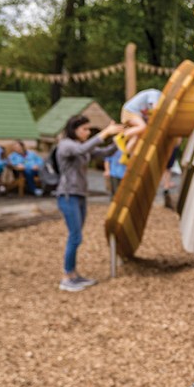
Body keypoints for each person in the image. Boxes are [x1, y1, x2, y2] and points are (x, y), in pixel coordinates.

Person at [55, 115, 125, 291]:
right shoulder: (66, 145)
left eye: (88, 129)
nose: (87, 132)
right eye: (84, 129)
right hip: (67, 195)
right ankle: (66, 277)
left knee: (77, 237)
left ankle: (73, 275)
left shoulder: (81, 146)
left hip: (79, 195)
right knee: (75, 236)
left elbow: (104, 153)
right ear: (74, 130)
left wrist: (120, 137)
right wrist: (104, 133)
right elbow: (82, 150)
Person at [119, 88, 162, 158]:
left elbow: (150, 114)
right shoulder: (155, 94)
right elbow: (155, 109)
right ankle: (122, 136)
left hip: (135, 114)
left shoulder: (150, 103)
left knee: (137, 136)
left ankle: (126, 154)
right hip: (130, 111)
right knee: (143, 127)